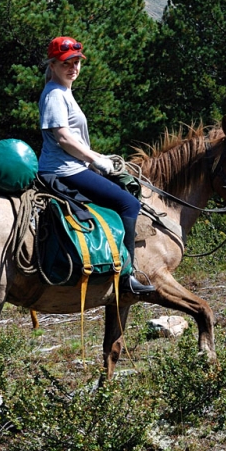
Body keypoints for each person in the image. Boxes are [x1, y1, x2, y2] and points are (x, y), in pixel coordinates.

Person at [38, 36, 155, 294]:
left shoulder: (64, 91)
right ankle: (127, 276)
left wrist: (97, 157)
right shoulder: (55, 94)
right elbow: (63, 137)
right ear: (53, 65)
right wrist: (96, 160)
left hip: (72, 165)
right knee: (129, 203)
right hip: (64, 170)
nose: (74, 68)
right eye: (67, 63)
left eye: (77, 62)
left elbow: (74, 138)